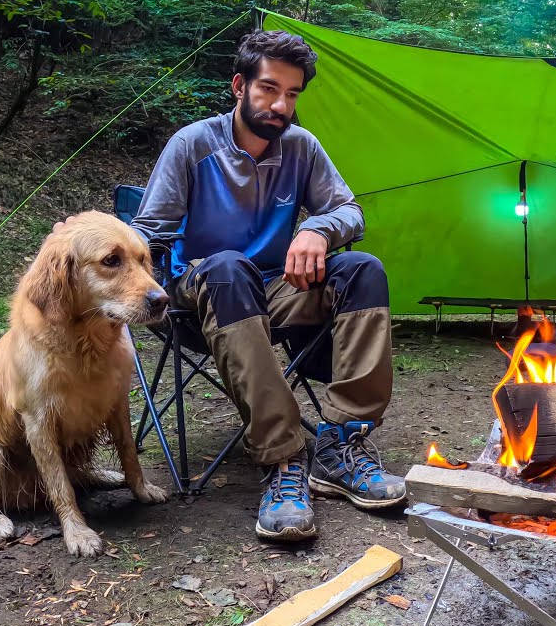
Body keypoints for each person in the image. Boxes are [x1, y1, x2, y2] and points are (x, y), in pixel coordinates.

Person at [129, 29, 404, 542]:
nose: (281, 105)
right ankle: (283, 460)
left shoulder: (301, 148)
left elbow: (349, 210)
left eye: (293, 94)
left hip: (278, 289)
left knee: (362, 269)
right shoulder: (192, 145)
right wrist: (88, 233)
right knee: (228, 265)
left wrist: (317, 229)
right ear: (239, 85)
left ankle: (341, 443)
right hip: (202, 294)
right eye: (269, 89)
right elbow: (149, 234)